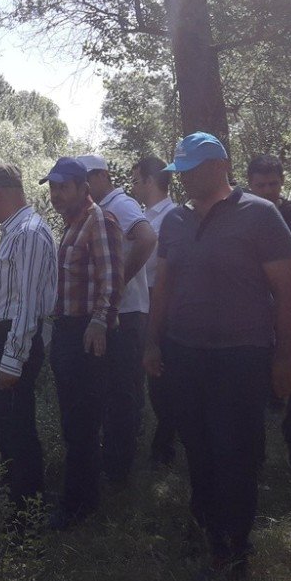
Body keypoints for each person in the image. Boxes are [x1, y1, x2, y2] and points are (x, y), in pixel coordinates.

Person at [144, 132, 291, 581]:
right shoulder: (174, 220)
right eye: (181, 172)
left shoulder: (260, 215)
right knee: (197, 444)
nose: (186, 180)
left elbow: (287, 290)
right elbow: (164, 287)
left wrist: (285, 355)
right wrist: (153, 341)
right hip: (185, 353)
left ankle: (234, 545)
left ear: (220, 166)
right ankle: (206, 528)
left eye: (193, 170)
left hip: (242, 356)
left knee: (237, 450)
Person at [0, 163, 57, 521]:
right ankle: (15, 507)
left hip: (11, 343)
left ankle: (25, 519)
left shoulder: (29, 233)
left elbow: (28, 304)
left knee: (18, 431)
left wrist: (12, 359)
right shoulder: (16, 231)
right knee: (5, 429)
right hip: (2, 340)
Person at [40, 157, 123, 529]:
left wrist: (99, 322)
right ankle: (79, 497)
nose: (56, 195)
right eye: (53, 188)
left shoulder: (99, 221)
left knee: (84, 422)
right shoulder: (73, 224)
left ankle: (80, 507)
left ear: (81, 187)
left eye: (63, 187)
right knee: (73, 421)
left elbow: (112, 279)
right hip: (68, 332)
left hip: (87, 335)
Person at [77, 154, 157, 486]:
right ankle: (115, 464)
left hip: (126, 312)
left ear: (100, 177)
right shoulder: (101, 207)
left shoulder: (118, 204)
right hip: (119, 311)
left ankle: (119, 473)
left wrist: (117, 282)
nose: (80, 189)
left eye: (83, 182)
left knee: (122, 392)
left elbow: (148, 238)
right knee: (116, 391)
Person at [247, 154, 291, 469]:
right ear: (249, 184)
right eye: (260, 185)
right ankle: (255, 451)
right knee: (254, 381)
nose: (267, 190)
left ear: (282, 181)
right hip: (253, 310)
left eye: (273, 184)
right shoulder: (241, 214)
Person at [130, 156, 178, 466]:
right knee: (148, 375)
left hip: (163, 302)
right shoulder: (144, 215)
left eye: (135, 180)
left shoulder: (170, 218)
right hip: (141, 301)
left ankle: (166, 444)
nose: (132, 186)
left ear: (149, 181)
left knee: (162, 376)